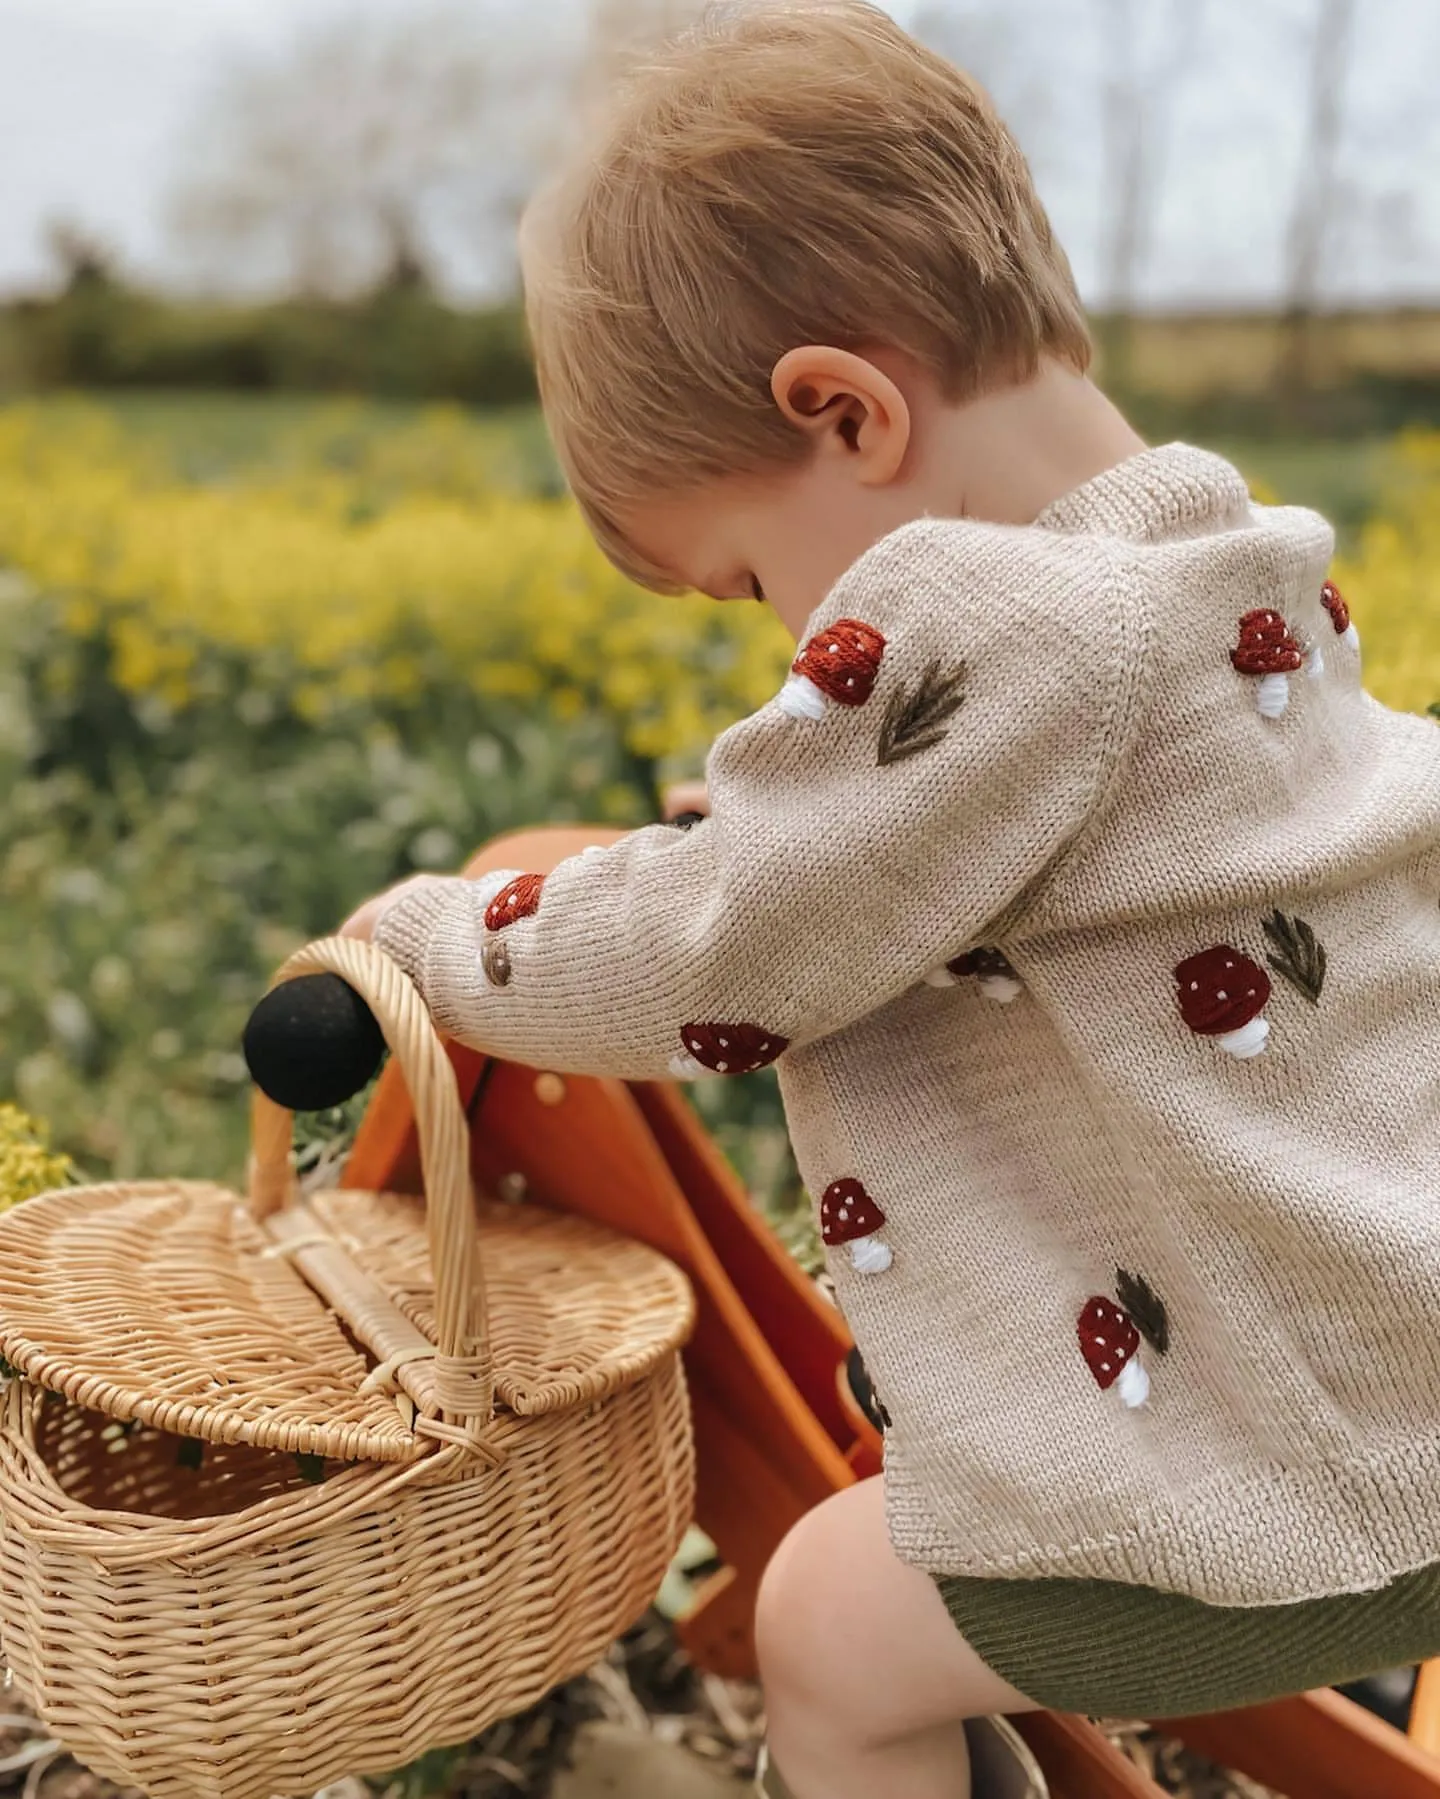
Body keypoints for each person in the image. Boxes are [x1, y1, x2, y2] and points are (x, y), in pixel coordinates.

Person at [340, 4, 1440, 1795]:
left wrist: (431, 946)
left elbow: (727, 954)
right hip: (1402, 1364)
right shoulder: (1233, 576)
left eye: (755, 583)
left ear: (842, 412)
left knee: (829, 1629)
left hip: (1304, 1490)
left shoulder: (987, 620)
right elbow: (1074, 836)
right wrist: (812, 813)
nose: (795, 650)